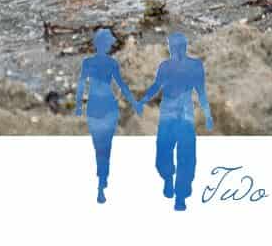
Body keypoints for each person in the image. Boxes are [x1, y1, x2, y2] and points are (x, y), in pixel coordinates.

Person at [138, 32, 212, 211]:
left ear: (184, 47)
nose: (174, 50)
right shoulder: (165, 67)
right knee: (163, 154)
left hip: (186, 116)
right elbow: (157, 86)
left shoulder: (195, 66)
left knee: (186, 157)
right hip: (167, 115)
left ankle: (181, 196)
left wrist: (208, 115)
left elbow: (201, 93)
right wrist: (142, 100)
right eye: (172, 46)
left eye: (177, 46)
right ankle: (168, 178)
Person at [75, 27, 138, 203]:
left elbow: (82, 86)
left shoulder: (92, 62)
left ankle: (102, 184)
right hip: (104, 104)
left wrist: (79, 106)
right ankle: (101, 183)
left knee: (101, 146)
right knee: (103, 146)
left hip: (99, 104)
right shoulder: (103, 63)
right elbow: (122, 86)